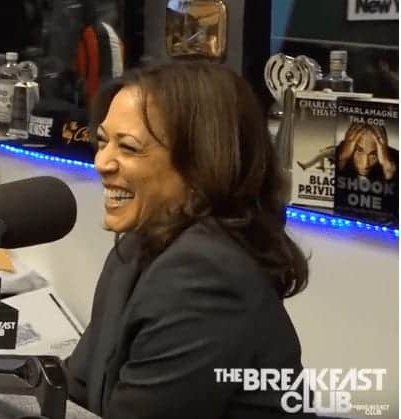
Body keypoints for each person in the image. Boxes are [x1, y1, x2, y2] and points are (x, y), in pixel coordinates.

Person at [65, 62, 315, 418]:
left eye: (129, 148)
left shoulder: (206, 273)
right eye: (103, 142)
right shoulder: (136, 247)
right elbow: (77, 388)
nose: (102, 162)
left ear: (200, 164)